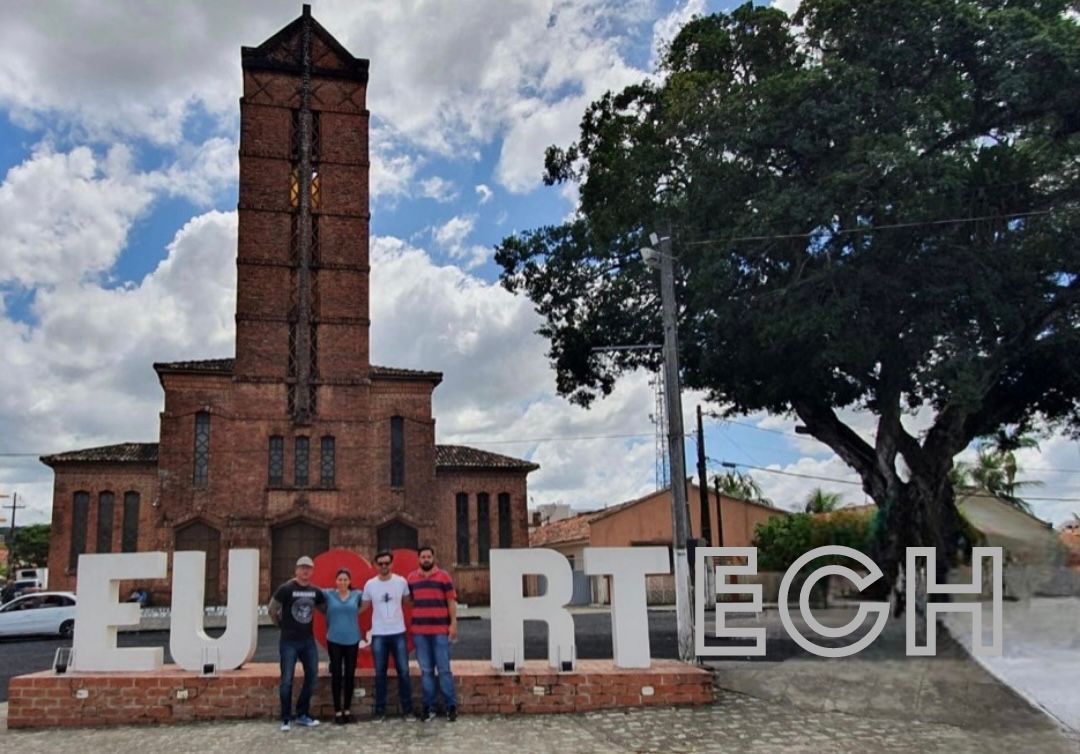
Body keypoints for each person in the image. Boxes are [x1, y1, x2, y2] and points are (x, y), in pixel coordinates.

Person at [269, 555, 327, 732]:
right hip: (289, 641)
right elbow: (272, 609)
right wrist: (280, 625)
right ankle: (286, 718)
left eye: (308, 568)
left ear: (312, 571)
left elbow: (325, 608)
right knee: (287, 679)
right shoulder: (286, 589)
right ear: (296, 570)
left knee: (312, 676)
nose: (305, 571)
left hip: (307, 641)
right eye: (302, 568)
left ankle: (302, 714)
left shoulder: (315, 591)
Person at [362, 550, 416, 722]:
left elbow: (409, 603)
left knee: (404, 672)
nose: (384, 566)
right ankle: (380, 711)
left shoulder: (401, 582)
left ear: (392, 564)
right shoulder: (370, 584)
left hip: (398, 632)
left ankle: (408, 710)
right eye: (381, 563)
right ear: (375, 565)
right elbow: (363, 607)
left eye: (387, 563)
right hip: (379, 633)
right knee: (380, 673)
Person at [407, 545, 459, 722]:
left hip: (440, 631)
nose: (426, 559)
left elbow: (451, 601)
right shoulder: (411, 578)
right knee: (426, 671)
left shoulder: (444, 576)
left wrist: (453, 624)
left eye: (429, 556)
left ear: (433, 558)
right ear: (418, 559)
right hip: (420, 632)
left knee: (444, 670)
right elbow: (410, 601)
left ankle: (451, 706)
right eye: (423, 557)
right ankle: (428, 707)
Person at [323, 567, 362, 725]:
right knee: (337, 674)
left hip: (352, 639)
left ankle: (347, 710)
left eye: (345, 579)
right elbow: (312, 592)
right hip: (334, 639)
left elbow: (368, 601)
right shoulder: (328, 594)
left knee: (350, 674)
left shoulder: (357, 595)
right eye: (340, 579)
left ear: (350, 581)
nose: (343, 582)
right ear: (336, 581)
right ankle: (337, 711)